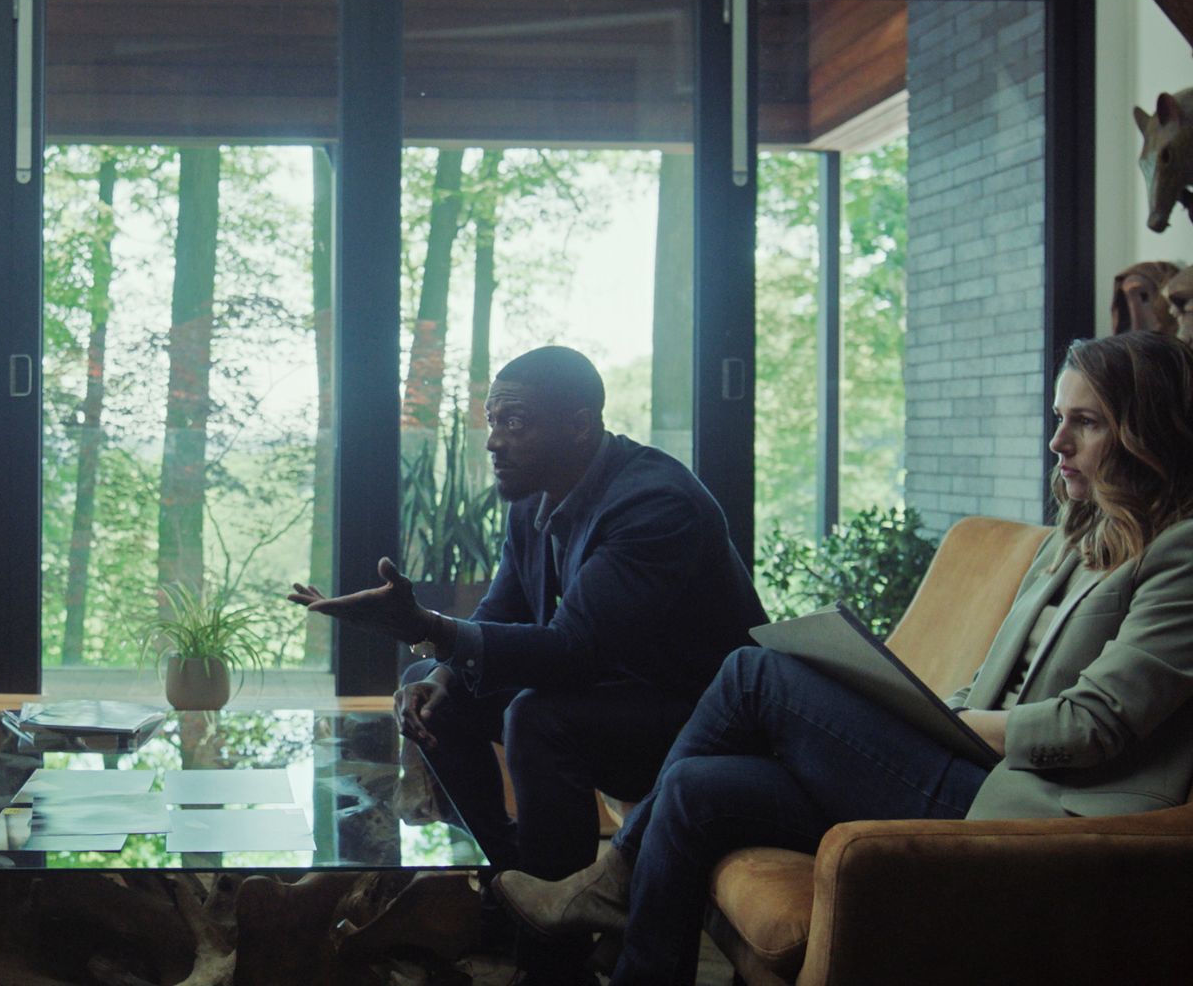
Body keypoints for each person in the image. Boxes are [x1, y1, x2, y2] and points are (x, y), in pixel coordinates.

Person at [493, 330, 1193, 986]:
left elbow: (1092, 725)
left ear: (1148, 433)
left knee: (754, 673)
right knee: (695, 786)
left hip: (1035, 811)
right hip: (976, 766)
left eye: (1086, 423)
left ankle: (613, 877)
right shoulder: (1075, 538)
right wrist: (930, 711)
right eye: (1059, 417)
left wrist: (948, 724)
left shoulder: (1181, 555)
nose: (1057, 441)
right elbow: (995, 682)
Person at [290, 345, 764, 984]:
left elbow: (573, 650)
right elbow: (503, 606)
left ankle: (553, 959)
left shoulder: (654, 503)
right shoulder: (536, 498)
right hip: (614, 693)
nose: (495, 441)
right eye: (492, 421)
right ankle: (510, 883)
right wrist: (438, 667)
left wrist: (427, 627)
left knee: (541, 717)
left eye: (516, 423)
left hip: (694, 721)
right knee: (431, 689)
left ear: (580, 425)